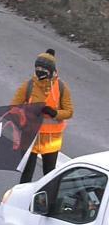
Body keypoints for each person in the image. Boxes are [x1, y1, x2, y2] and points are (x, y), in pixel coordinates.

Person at [11, 49, 74, 184]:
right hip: (30, 137)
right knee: (26, 175)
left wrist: (55, 113)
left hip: (51, 142)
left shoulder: (61, 87)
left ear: (51, 71)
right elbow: (14, 108)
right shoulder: (28, 86)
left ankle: (48, 197)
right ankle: (23, 196)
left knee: (49, 176)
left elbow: (69, 111)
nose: (40, 72)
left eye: (43, 70)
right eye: (37, 68)